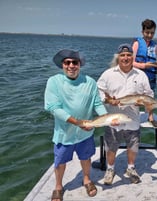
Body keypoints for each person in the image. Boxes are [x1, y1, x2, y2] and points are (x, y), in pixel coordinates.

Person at [44, 49, 112, 201]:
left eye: (75, 62)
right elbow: (52, 107)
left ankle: (86, 179)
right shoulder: (53, 81)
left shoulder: (90, 82)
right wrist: (77, 122)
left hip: (86, 132)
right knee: (60, 161)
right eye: (67, 62)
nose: (71, 66)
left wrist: (106, 117)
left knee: (86, 158)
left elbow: (97, 104)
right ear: (62, 65)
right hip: (64, 133)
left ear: (80, 64)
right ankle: (58, 186)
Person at [97, 43, 154, 185]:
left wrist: (144, 103)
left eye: (129, 55)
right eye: (123, 55)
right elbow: (97, 92)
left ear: (132, 57)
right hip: (114, 117)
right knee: (111, 146)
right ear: (118, 57)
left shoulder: (141, 75)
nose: (126, 57)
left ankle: (131, 168)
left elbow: (149, 94)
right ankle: (110, 169)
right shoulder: (108, 74)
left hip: (133, 118)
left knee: (133, 146)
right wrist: (108, 101)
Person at [132, 19, 157, 126]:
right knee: (136, 99)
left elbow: (153, 62)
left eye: (152, 33)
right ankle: (133, 117)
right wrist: (144, 66)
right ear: (142, 32)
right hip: (137, 76)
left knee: (150, 98)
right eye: (147, 32)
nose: (149, 35)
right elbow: (131, 62)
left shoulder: (155, 46)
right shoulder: (136, 44)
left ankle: (150, 117)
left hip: (151, 77)